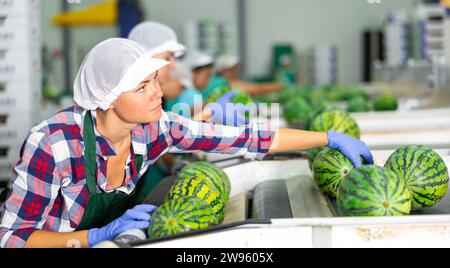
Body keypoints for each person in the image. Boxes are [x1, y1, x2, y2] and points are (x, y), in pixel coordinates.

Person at [0, 38, 373, 248]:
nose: (158, 92)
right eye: (142, 86)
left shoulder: (155, 128)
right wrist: (94, 236)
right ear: (109, 98)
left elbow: (250, 139)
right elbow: (12, 239)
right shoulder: (53, 145)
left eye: (155, 81)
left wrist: (327, 138)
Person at [129, 21, 246, 127]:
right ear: (146, 58)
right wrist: (207, 111)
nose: (173, 66)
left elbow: (163, 134)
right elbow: (157, 142)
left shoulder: (155, 95)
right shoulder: (133, 100)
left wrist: (207, 108)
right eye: (167, 57)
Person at [208, 54, 284, 98]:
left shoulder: (219, 81)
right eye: (234, 68)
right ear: (224, 71)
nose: (237, 70)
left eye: (237, 67)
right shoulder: (221, 82)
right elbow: (256, 89)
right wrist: (280, 86)